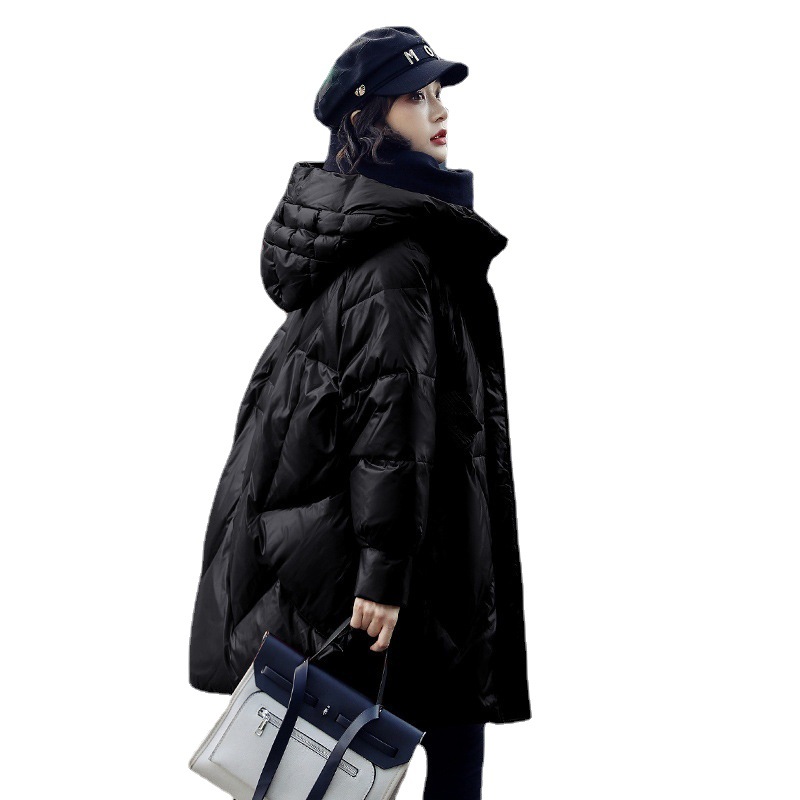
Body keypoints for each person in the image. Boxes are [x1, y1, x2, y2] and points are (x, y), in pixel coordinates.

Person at [188, 26, 531, 799]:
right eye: (417, 97)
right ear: (367, 117)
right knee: (396, 762)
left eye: (440, 94)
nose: (440, 111)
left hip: (412, 553)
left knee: (393, 757)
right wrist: (381, 575)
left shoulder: (392, 238)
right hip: (389, 572)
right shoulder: (396, 259)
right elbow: (389, 427)